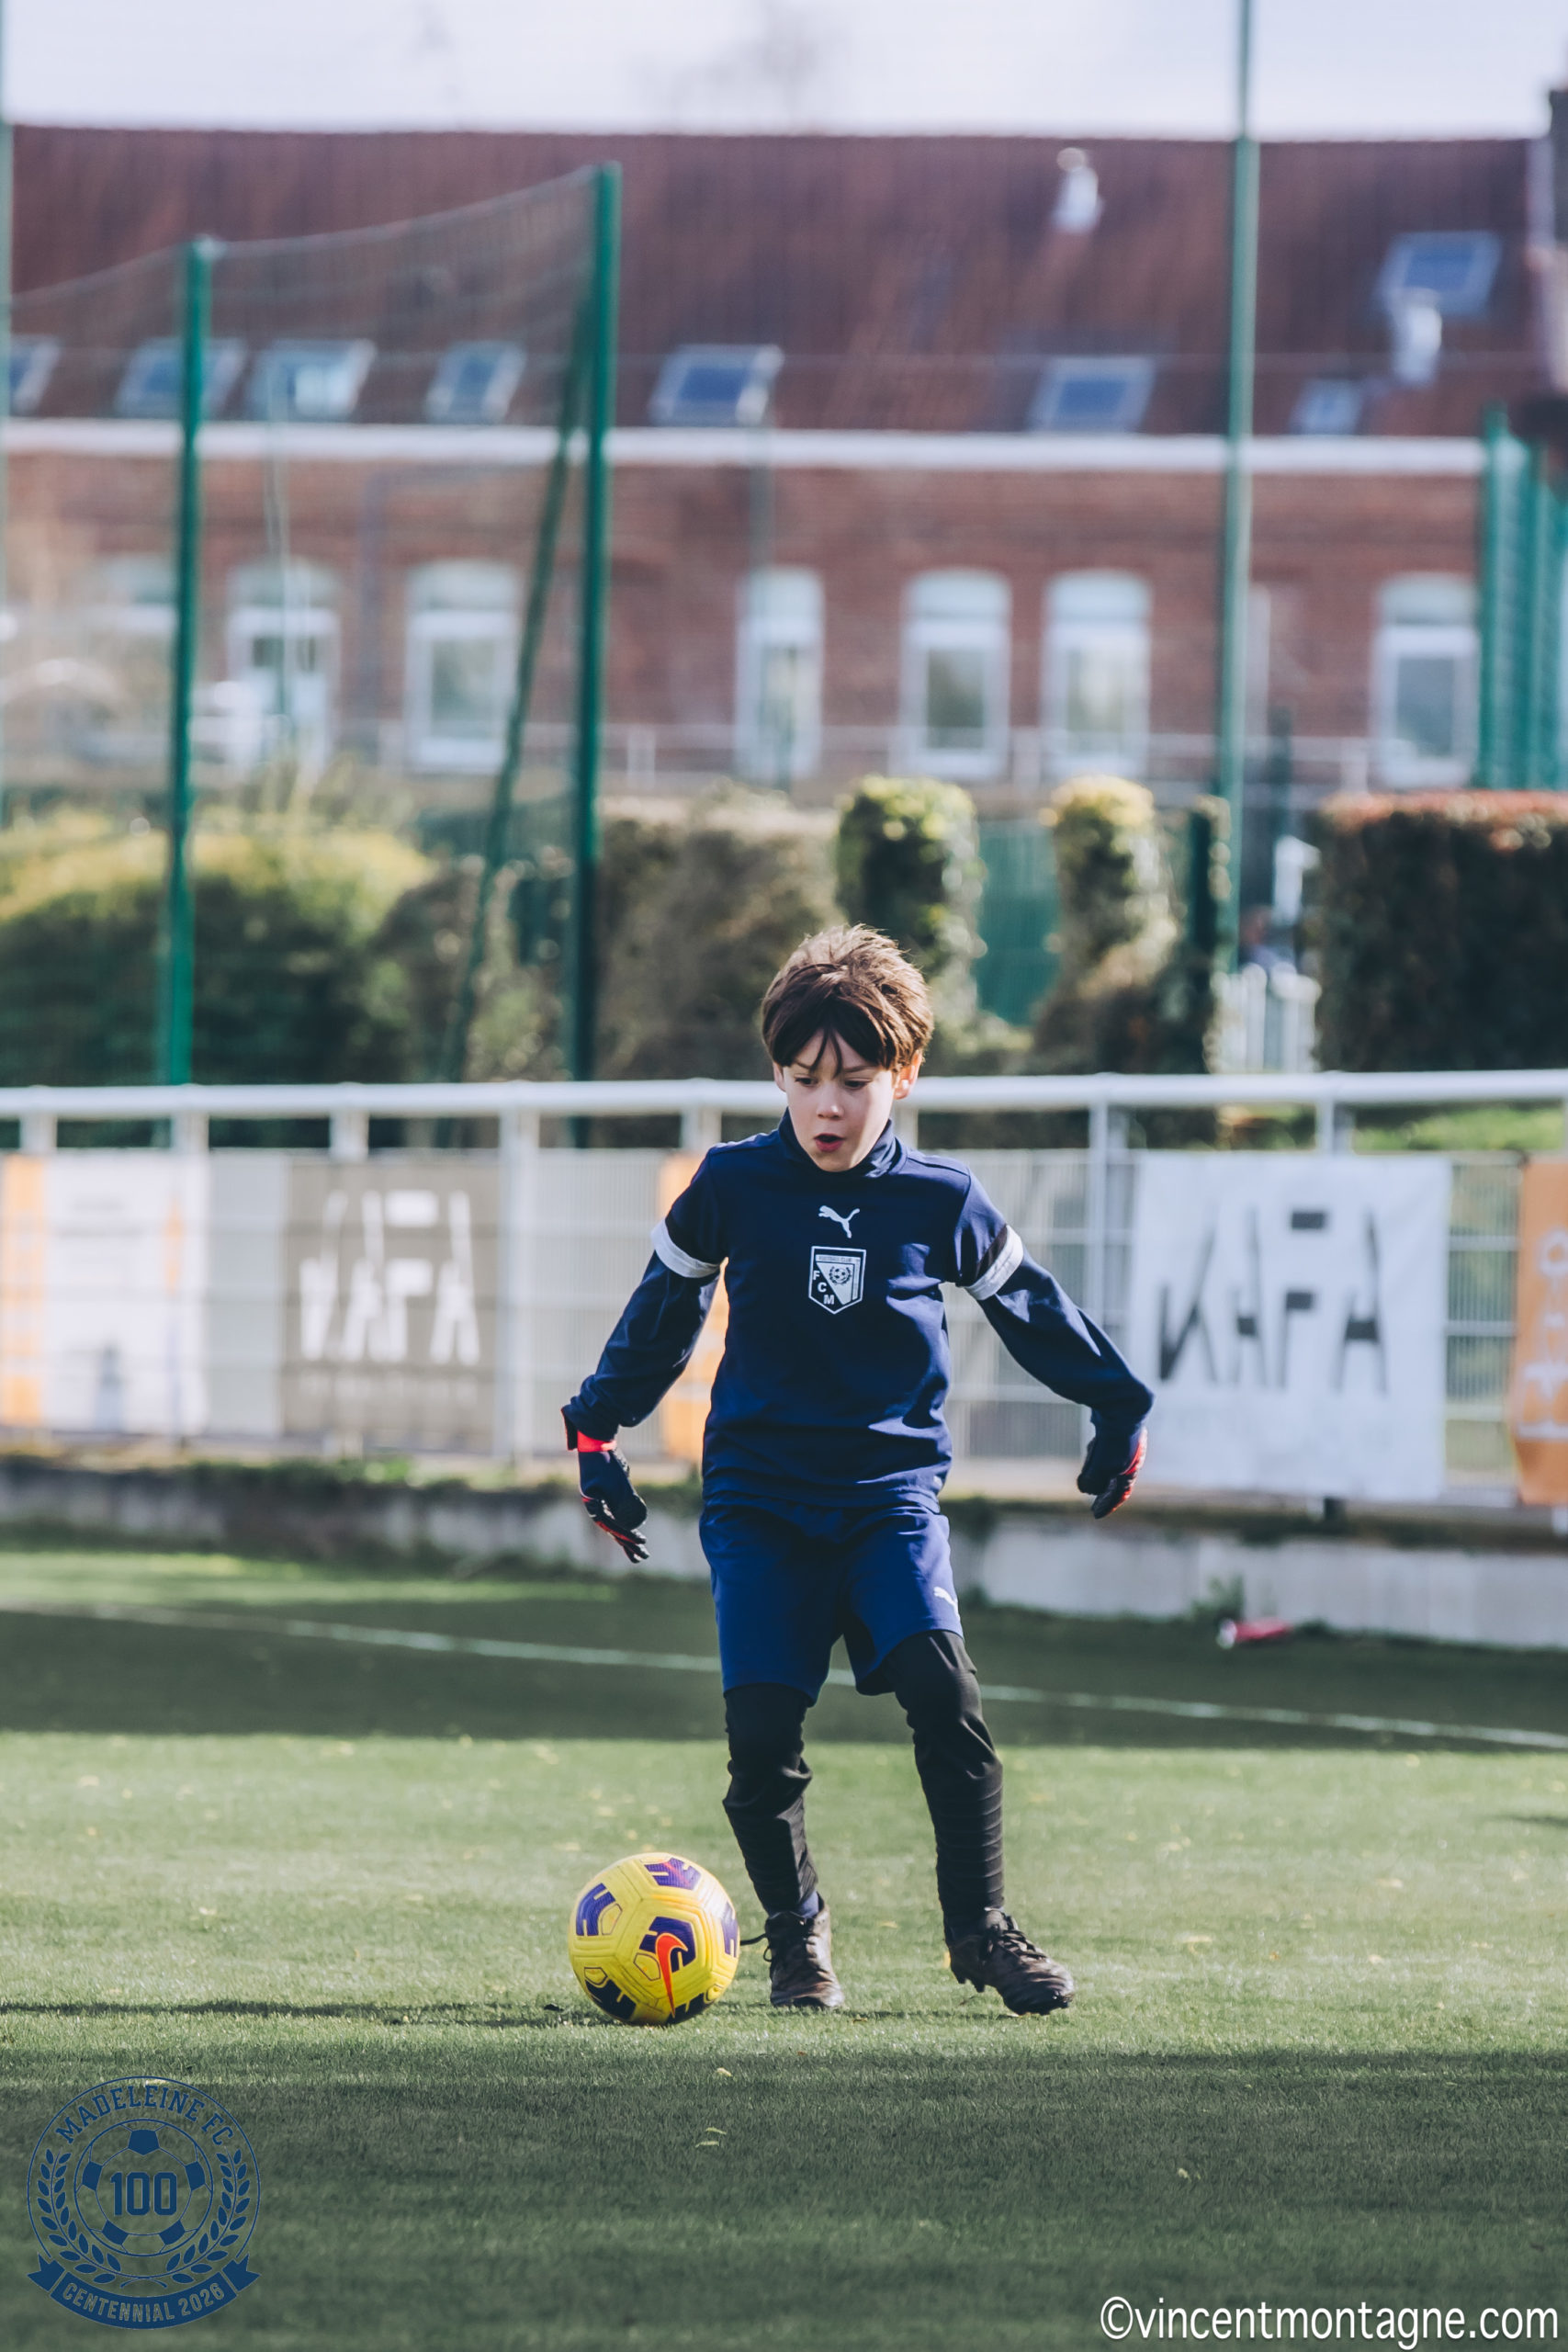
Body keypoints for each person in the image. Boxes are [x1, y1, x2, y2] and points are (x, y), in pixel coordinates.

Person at [562, 926, 1153, 2017]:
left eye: (854, 1081)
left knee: (944, 1692)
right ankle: (798, 1942)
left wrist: (1116, 1403)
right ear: (777, 1075)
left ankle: (981, 1932)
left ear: (905, 1074)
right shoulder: (732, 1184)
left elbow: (1034, 1311)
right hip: (759, 1503)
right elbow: (661, 1314)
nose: (827, 1106)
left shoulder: (941, 1199)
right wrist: (596, 1428)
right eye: (804, 1080)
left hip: (890, 1502)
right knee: (761, 1740)